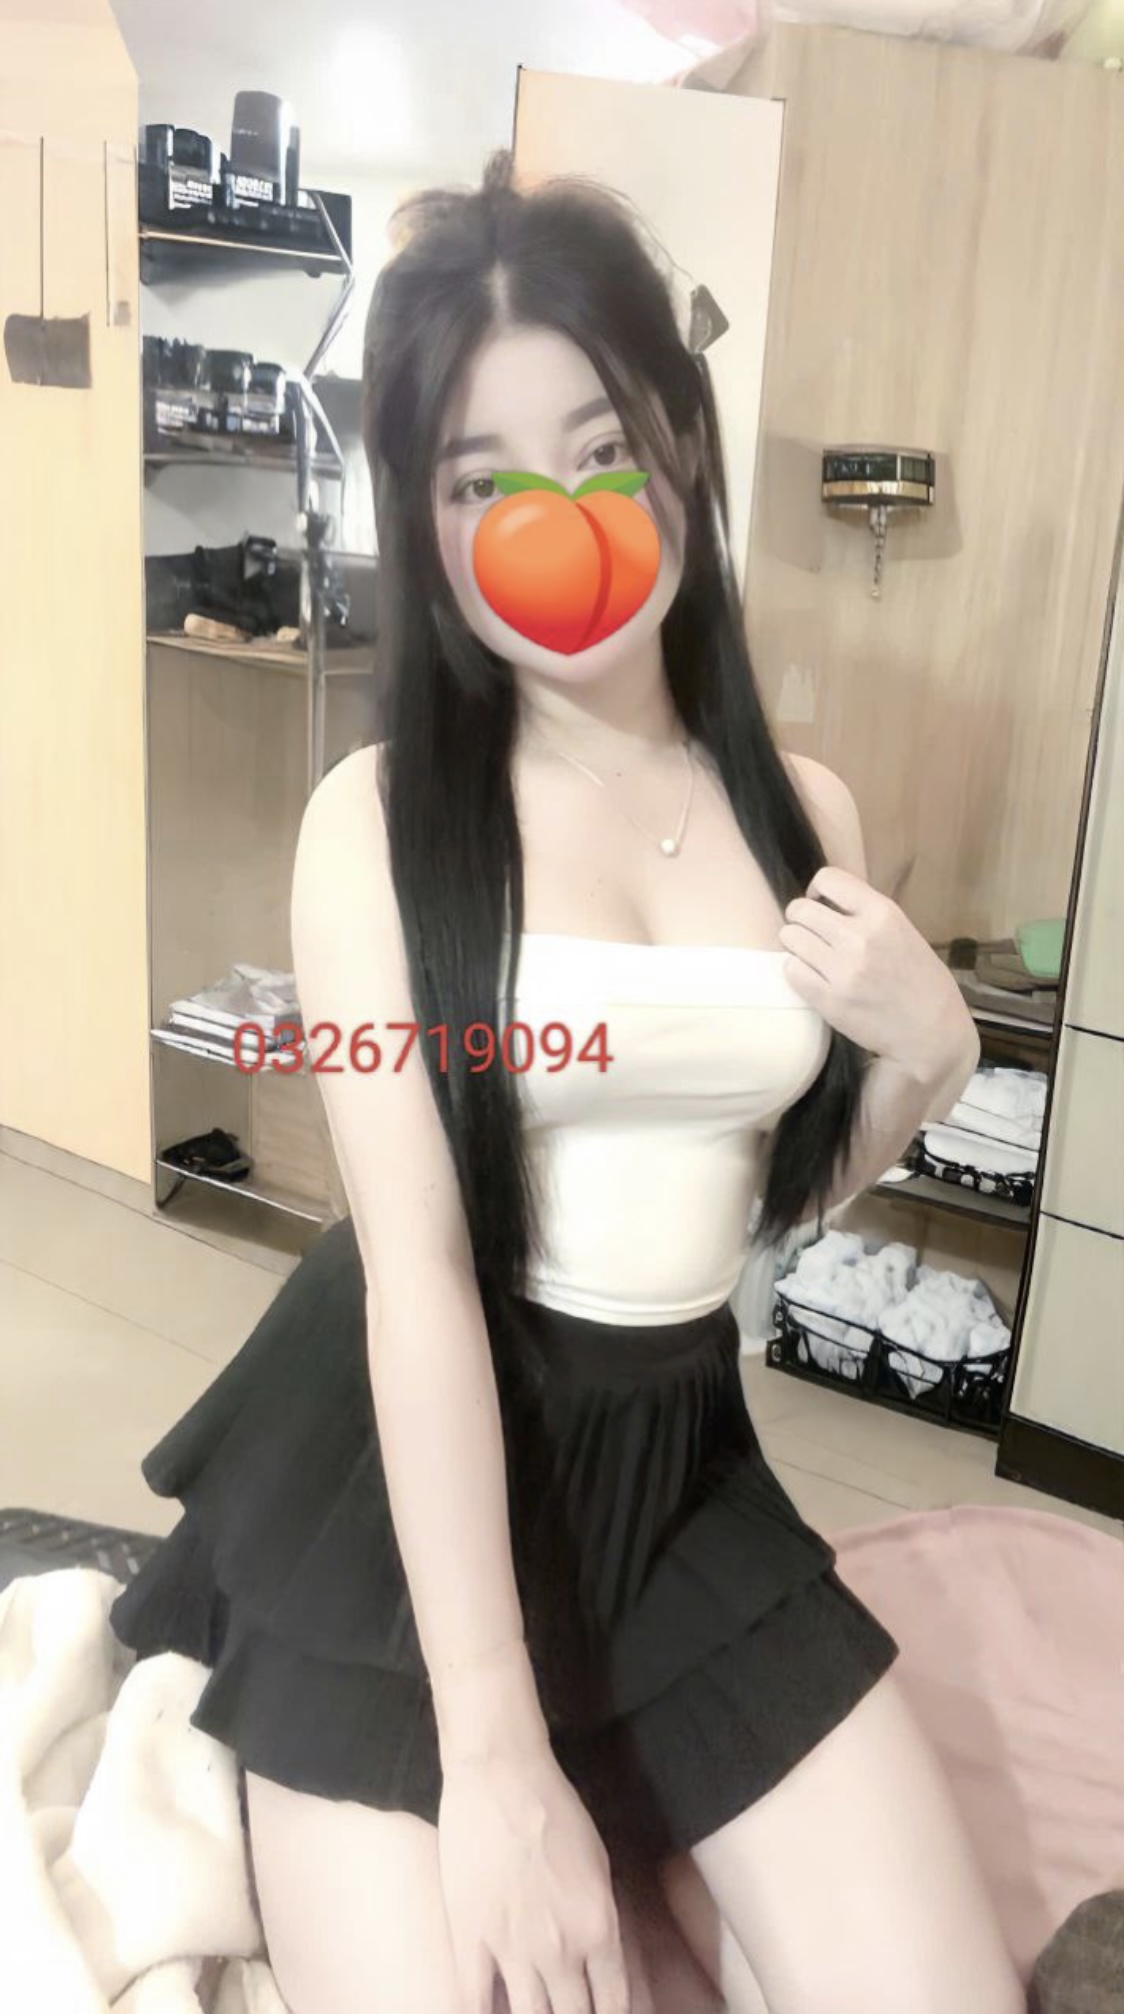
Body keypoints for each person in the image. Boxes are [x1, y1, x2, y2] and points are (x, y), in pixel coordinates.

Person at [110, 150, 1027, 2014]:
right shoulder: (379, 825)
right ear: (429, 516)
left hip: (679, 1465)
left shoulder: (804, 808)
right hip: (409, 1485)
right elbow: (421, 1283)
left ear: (681, 440)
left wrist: (930, 1059)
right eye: (482, 479)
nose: (559, 519)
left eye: (601, 448)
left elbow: (763, 1206)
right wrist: (499, 1755)